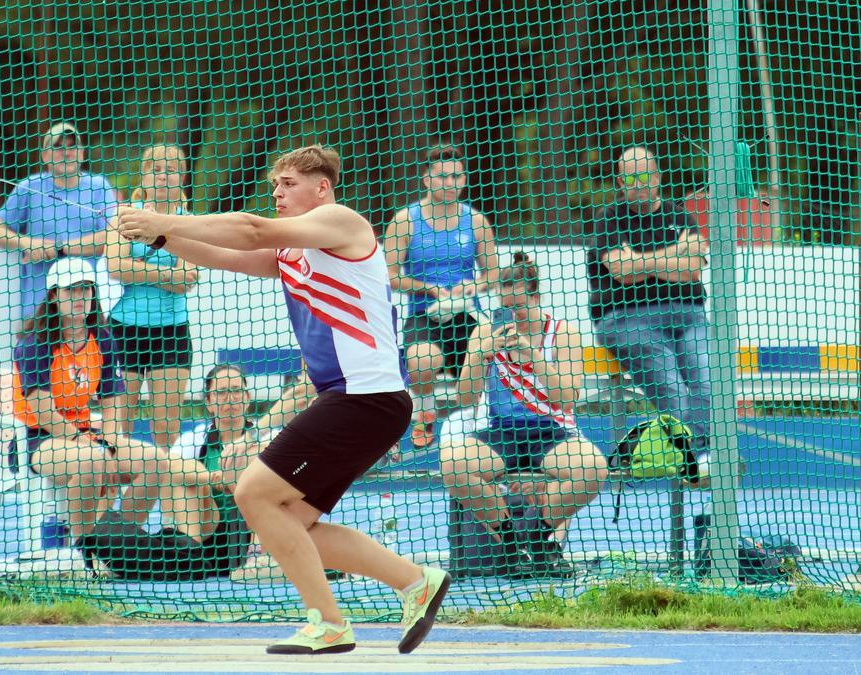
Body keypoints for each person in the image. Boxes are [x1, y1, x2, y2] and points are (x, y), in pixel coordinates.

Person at [118, 144, 450, 656]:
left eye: (289, 183)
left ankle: (329, 625)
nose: (278, 192)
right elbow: (225, 255)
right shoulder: (292, 253)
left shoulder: (343, 222)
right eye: (275, 184)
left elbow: (251, 229)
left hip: (365, 399)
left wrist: (163, 216)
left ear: (321, 188)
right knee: (290, 524)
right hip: (356, 402)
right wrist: (162, 234)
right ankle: (415, 581)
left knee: (252, 493)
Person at [440, 253, 609, 578]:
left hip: (552, 432)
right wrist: (479, 355)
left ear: (536, 297)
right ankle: (509, 542)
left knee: (593, 469)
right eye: (507, 307)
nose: (514, 316)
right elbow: (465, 398)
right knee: (454, 466)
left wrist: (533, 356)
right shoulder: (485, 332)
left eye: (520, 306)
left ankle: (539, 535)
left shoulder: (563, 333)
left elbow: (567, 399)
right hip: (501, 431)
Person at [76, 363, 315, 581]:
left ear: (247, 398)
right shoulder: (194, 439)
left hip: (254, 528)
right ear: (209, 402)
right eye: (221, 392)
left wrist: (238, 470)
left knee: (251, 458)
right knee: (181, 475)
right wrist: (213, 478)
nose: (230, 398)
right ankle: (189, 548)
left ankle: (257, 554)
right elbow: (170, 467)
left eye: (236, 390)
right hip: (209, 527)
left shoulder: (270, 437)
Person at [13, 257, 179, 545]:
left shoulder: (102, 338)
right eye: (71, 291)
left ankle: (114, 543)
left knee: (156, 462)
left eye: (86, 290)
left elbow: (113, 397)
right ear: (53, 296)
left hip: (89, 433)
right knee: (91, 461)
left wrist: (112, 438)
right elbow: (43, 411)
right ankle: (84, 549)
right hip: (38, 439)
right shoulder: (34, 344)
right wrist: (83, 440)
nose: (80, 297)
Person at [0, 122, 128, 434]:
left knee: (92, 385)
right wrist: (28, 244)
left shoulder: (99, 187)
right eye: (58, 146)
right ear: (45, 155)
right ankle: (46, 450)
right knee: (38, 393)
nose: (66, 152)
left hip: (85, 310)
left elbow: (113, 235)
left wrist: (58, 249)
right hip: (40, 313)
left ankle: (101, 443)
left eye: (72, 145)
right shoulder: (29, 187)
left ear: (83, 152)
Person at [587, 147, 711, 453]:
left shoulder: (680, 216)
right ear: (619, 181)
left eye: (643, 175)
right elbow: (621, 272)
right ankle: (696, 457)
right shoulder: (610, 220)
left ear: (657, 177)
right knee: (673, 389)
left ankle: (692, 455)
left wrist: (640, 262)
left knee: (709, 384)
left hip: (688, 315)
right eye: (630, 178)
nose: (637, 183)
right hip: (629, 319)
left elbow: (693, 270)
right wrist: (674, 254)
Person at [384, 145, 498, 449]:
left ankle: (476, 424)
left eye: (457, 176)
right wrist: (427, 287)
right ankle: (425, 412)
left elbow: (494, 274)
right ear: (426, 180)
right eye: (443, 177)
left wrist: (474, 286)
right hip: (425, 312)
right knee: (422, 359)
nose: (451, 183)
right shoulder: (405, 220)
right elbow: (390, 276)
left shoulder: (476, 221)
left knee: (490, 356)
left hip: (467, 314)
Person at [105, 145, 200, 448]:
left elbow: (188, 279)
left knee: (165, 425)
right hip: (123, 330)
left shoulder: (189, 221)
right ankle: (109, 494)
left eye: (170, 171)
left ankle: (168, 493)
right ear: (144, 178)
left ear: (181, 178)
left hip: (170, 331)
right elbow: (115, 267)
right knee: (118, 426)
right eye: (155, 171)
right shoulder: (124, 216)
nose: (162, 177)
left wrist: (141, 270)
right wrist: (167, 274)